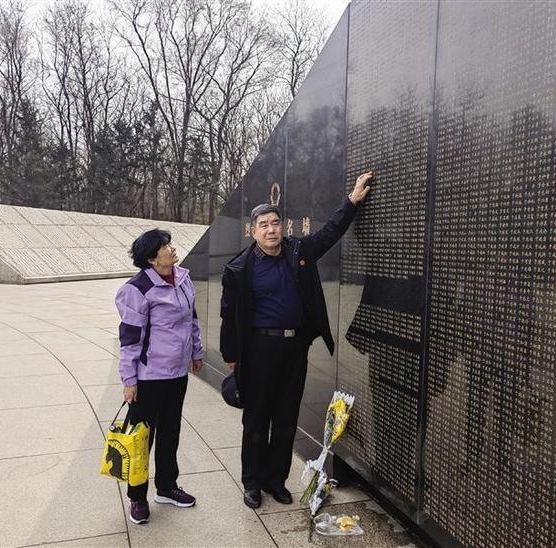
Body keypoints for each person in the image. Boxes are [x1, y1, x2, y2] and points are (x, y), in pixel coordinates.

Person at [220, 171, 373, 508]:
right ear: (253, 231)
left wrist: (351, 202)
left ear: (282, 226)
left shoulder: (298, 251)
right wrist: (232, 355)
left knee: (287, 415)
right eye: (264, 225)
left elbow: (330, 233)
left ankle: (277, 480)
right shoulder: (240, 269)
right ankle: (252, 483)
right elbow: (229, 315)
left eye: (275, 223)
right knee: (257, 419)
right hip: (259, 349)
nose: (272, 229)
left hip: (294, 348)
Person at [115, 229, 204, 524]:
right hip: (148, 377)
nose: (171, 248)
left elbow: (191, 318)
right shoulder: (137, 289)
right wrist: (129, 381)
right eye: (164, 246)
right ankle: (137, 497)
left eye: (169, 243)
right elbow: (130, 339)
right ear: (152, 259)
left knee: (171, 432)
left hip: (177, 374)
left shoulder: (182, 277)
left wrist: (196, 352)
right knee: (142, 439)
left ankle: (166, 487)